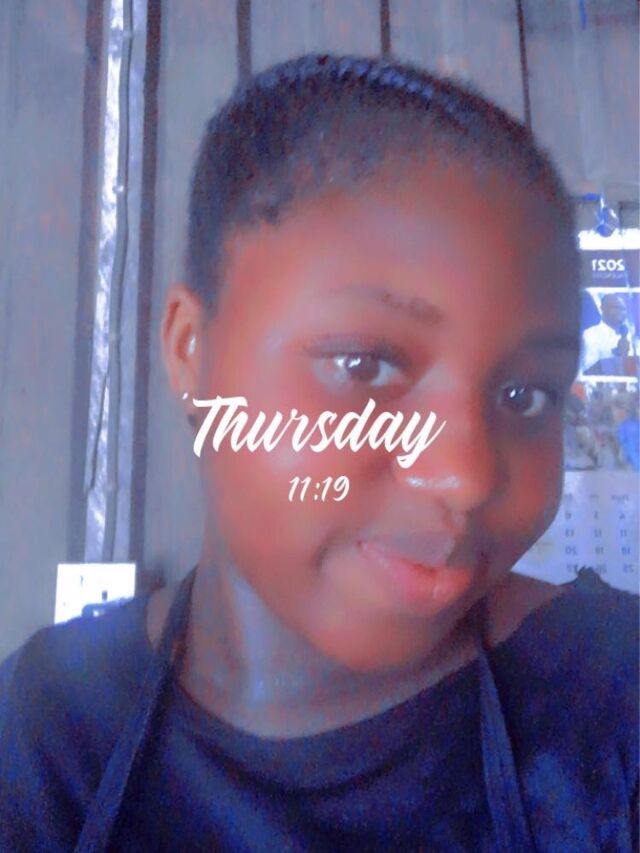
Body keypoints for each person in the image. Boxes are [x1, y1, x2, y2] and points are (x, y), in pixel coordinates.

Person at [0, 54, 637, 851]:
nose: (466, 475)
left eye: (525, 395)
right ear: (192, 350)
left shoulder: (610, 704)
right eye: (364, 364)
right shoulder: (42, 738)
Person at [581, 293, 639, 375]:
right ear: (603, 308)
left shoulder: (631, 335)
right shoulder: (590, 335)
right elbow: (588, 369)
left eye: (623, 308)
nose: (621, 312)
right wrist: (618, 356)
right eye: (616, 307)